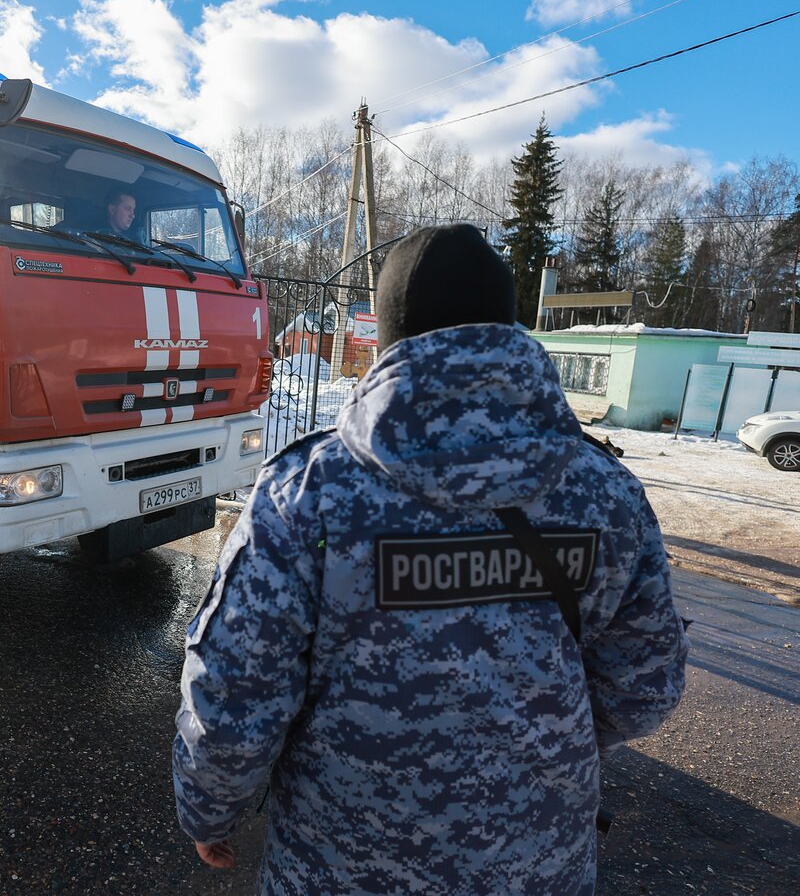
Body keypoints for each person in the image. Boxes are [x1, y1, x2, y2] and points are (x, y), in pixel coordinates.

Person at [172, 224, 688, 894]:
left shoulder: (311, 489)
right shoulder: (603, 491)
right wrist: (526, 743)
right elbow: (644, 686)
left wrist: (211, 810)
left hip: (342, 869)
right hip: (538, 864)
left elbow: (238, 690)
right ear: (505, 327)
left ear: (388, 336)